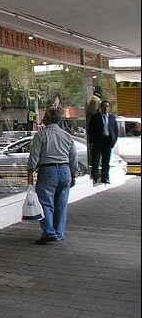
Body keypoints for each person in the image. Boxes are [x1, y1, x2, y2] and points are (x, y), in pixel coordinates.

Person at [27, 107, 78, 245]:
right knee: (61, 204)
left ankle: (49, 232)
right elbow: (73, 156)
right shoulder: (67, 136)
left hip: (48, 171)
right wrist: (73, 173)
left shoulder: (41, 135)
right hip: (65, 170)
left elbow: (34, 155)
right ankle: (59, 233)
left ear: (48, 119)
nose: (42, 118)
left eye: (44, 116)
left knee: (45, 203)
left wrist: (30, 171)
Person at [87, 100, 119, 184]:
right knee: (96, 160)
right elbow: (91, 130)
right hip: (98, 141)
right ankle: (95, 177)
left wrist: (113, 141)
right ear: (101, 107)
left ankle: (105, 177)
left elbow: (115, 130)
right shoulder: (95, 117)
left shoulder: (112, 118)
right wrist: (91, 142)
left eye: (107, 106)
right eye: (104, 106)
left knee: (106, 161)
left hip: (108, 141)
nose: (105, 108)